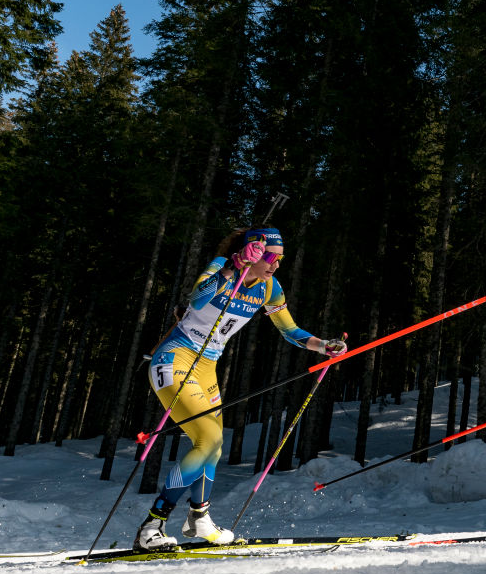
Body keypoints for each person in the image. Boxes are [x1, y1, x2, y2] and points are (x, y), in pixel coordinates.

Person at [134, 227, 348, 551]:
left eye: (280, 259)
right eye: (271, 258)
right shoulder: (223, 265)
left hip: (207, 369)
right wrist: (233, 266)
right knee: (209, 438)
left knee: (213, 448)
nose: (276, 265)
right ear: (254, 253)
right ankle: (152, 525)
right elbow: (197, 297)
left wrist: (323, 346)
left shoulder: (269, 287)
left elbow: (289, 329)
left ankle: (198, 518)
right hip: (176, 359)